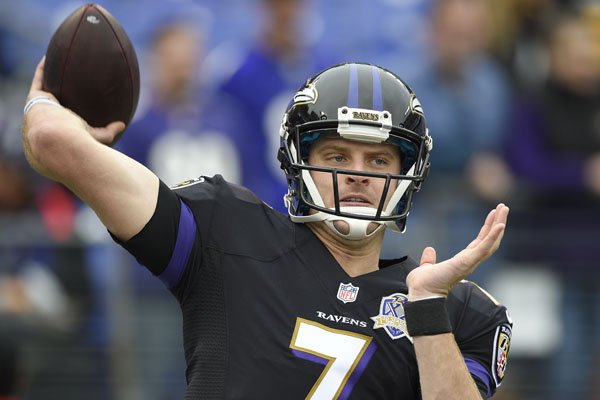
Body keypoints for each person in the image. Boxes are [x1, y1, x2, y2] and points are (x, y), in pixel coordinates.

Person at [22, 60, 511, 399]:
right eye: (337, 156)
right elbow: (49, 140)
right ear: (299, 164)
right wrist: (49, 107)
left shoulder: (456, 311)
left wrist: (427, 313)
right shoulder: (227, 230)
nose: (359, 173)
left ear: (407, 175)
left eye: (379, 159)